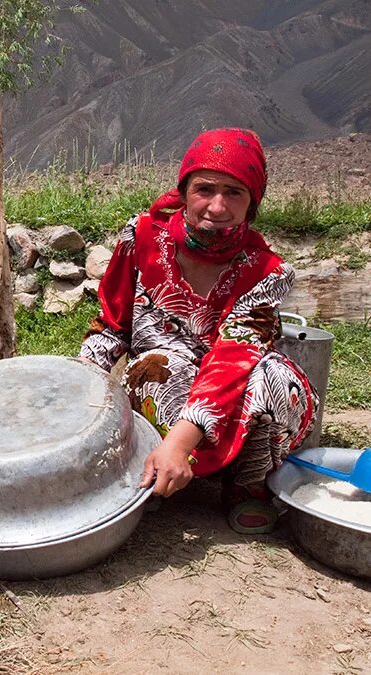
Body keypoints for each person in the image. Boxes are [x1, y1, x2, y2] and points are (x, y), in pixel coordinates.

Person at [79, 128, 317, 534]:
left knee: (276, 378)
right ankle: (152, 470)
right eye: (204, 189)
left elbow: (235, 355)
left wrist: (180, 441)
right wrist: (79, 390)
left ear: (252, 202)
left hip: (234, 381)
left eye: (234, 193)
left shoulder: (268, 272)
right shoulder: (140, 238)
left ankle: (246, 483)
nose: (217, 206)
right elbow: (111, 324)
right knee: (156, 367)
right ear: (185, 190)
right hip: (162, 380)